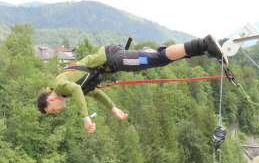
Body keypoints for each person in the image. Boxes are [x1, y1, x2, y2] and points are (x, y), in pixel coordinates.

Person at [36, 35, 228, 133]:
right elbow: (93, 92)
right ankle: (202, 50)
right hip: (115, 59)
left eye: (52, 110)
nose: (57, 112)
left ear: (50, 100)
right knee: (156, 58)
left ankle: (203, 44)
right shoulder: (64, 89)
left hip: (114, 59)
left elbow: (78, 89)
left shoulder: (60, 85)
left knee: (158, 59)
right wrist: (113, 108)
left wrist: (85, 118)